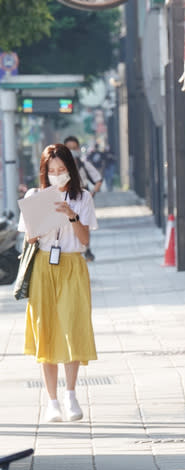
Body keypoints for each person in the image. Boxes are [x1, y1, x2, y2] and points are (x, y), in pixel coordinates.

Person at [17, 144, 98, 422]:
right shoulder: (35, 195)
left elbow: (85, 240)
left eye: (61, 170)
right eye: (51, 171)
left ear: (70, 170)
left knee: (73, 326)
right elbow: (28, 238)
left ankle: (71, 394)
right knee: (46, 329)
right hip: (43, 266)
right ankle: (51, 401)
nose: (57, 175)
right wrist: (39, 218)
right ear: (44, 172)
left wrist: (70, 215)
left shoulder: (82, 197)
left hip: (73, 265)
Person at [64, 136, 101, 261]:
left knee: (84, 223)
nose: (72, 151)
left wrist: (91, 194)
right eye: (69, 148)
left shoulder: (84, 164)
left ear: (79, 149)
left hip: (81, 196)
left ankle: (86, 249)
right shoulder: (61, 167)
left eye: (74, 148)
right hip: (67, 197)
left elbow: (98, 179)